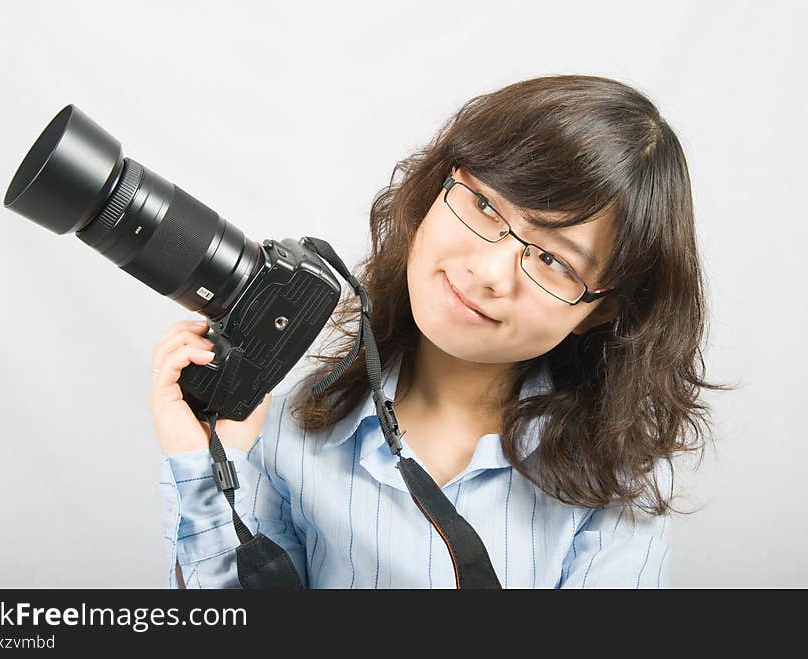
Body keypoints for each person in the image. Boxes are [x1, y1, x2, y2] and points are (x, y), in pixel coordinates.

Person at [150, 74, 729, 589]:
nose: (489, 273)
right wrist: (204, 472)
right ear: (437, 188)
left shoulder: (614, 479)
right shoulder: (286, 424)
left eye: (554, 261)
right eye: (483, 206)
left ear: (601, 310)